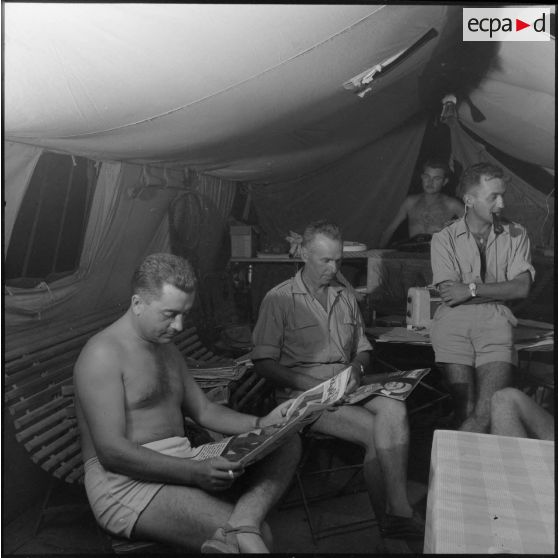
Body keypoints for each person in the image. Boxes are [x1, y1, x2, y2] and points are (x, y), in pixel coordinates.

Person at [74, 253, 301, 554]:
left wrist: (263, 423)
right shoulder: (103, 354)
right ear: (138, 304)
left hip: (185, 458)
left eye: (184, 314)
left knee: (286, 439)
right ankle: (243, 529)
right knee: (259, 542)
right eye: (169, 314)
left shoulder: (166, 349)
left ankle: (245, 520)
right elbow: (112, 453)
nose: (179, 326)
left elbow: (205, 411)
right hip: (127, 486)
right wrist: (194, 472)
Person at [251, 220, 424, 540]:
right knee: (376, 432)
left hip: (346, 386)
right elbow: (262, 362)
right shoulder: (279, 299)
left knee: (394, 407)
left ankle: (398, 509)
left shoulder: (344, 297)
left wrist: (357, 369)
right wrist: (309, 385)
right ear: (304, 254)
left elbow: (362, 351)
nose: (333, 268)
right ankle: (391, 530)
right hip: (302, 395)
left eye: (338, 260)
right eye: (325, 260)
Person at [430, 162, 535, 433]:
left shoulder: (516, 234)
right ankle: (453, 471)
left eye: (502, 195)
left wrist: (471, 290)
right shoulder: (444, 239)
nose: (501, 204)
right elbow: (450, 295)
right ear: (469, 200)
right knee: (464, 409)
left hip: (496, 324)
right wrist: (499, 289)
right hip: (453, 327)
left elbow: (521, 288)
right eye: (493, 197)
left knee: (485, 412)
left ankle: (449, 471)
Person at [379, 159, 464, 248]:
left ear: (445, 182)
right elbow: (391, 229)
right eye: (427, 177)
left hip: (439, 255)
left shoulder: (452, 204)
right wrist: (379, 251)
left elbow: (472, 227)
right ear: (422, 177)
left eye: (436, 178)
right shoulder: (410, 202)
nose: (430, 182)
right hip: (413, 254)